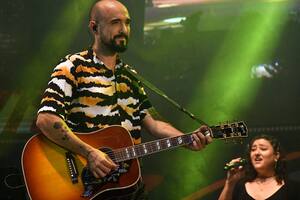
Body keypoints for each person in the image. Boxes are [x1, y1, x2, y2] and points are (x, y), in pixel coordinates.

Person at [35, 0, 212, 199]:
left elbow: (154, 124)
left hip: (129, 186)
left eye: (127, 23)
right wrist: (89, 153)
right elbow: (46, 119)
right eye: (115, 22)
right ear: (94, 27)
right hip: (90, 186)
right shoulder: (73, 66)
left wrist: (187, 139)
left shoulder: (131, 77)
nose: (124, 29)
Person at [218, 134, 300, 200]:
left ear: (276, 155)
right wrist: (230, 183)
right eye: (253, 149)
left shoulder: (292, 188)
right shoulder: (239, 186)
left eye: (263, 149)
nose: (256, 153)